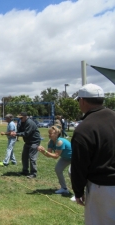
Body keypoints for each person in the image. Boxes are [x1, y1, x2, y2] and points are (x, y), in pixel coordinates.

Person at [71, 83, 115, 224]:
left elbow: (79, 165)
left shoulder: (84, 128)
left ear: (82, 101)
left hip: (102, 188)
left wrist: (78, 191)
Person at [38, 125, 72, 194]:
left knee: (71, 173)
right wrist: (42, 151)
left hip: (75, 158)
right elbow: (49, 155)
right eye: (49, 133)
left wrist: (45, 151)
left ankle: (79, 193)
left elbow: (56, 156)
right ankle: (64, 188)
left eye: (51, 133)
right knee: (58, 169)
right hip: (66, 158)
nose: (49, 135)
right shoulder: (50, 142)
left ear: (57, 134)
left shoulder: (60, 142)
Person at [12, 112, 41, 178]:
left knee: (32, 158)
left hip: (34, 142)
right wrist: (15, 132)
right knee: (24, 157)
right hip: (28, 142)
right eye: (19, 118)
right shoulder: (22, 122)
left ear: (25, 117)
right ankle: (25, 171)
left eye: (21, 118)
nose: (20, 119)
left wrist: (16, 134)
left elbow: (26, 133)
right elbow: (20, 131)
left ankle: (33, 173)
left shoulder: (29, 122)